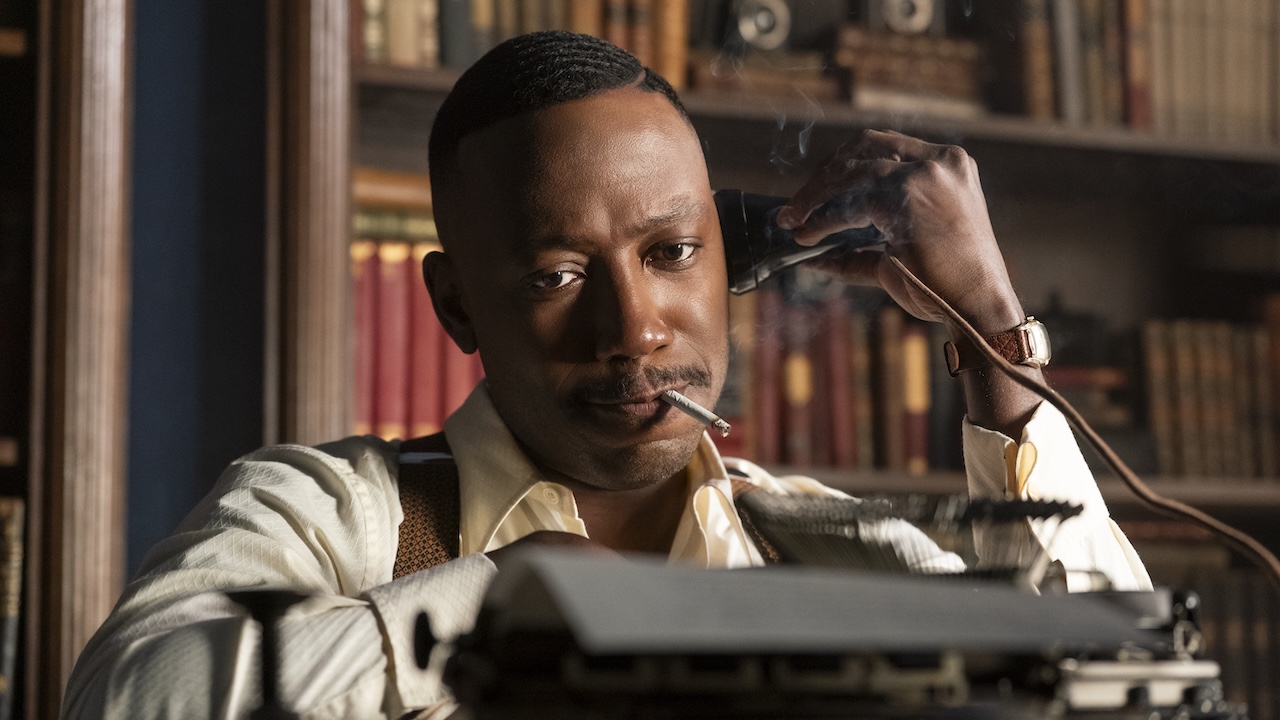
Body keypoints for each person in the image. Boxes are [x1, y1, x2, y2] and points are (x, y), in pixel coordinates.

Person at [62, 31, 1149, 720]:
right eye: (555, 272)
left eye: (670, 254)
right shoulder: (330, 514)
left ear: (729, 258)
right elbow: (124, 701)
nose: (632, 329)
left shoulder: (837, 551)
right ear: (455, 306)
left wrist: (993, 338)